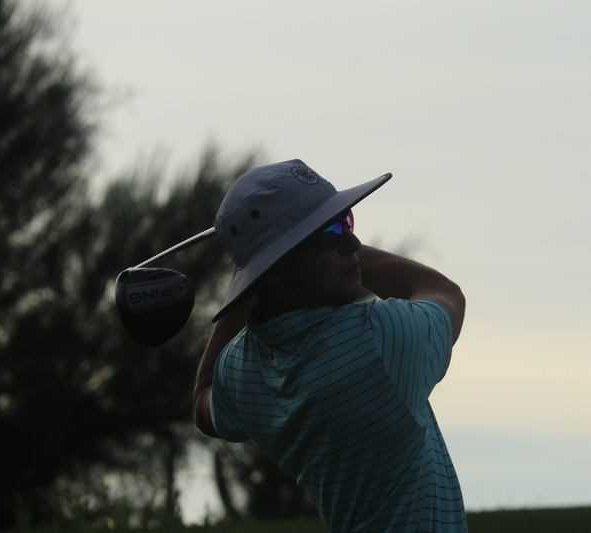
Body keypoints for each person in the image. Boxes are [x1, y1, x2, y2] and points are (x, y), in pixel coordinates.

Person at [193, 159, 467, 532]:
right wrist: (255, 268)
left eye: (346, 220)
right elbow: (445, 293)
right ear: (275, 270)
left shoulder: (240, 371)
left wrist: (247, 276)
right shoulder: (376, 340)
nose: (352, 242)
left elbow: (203, 400)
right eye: (328, 232)